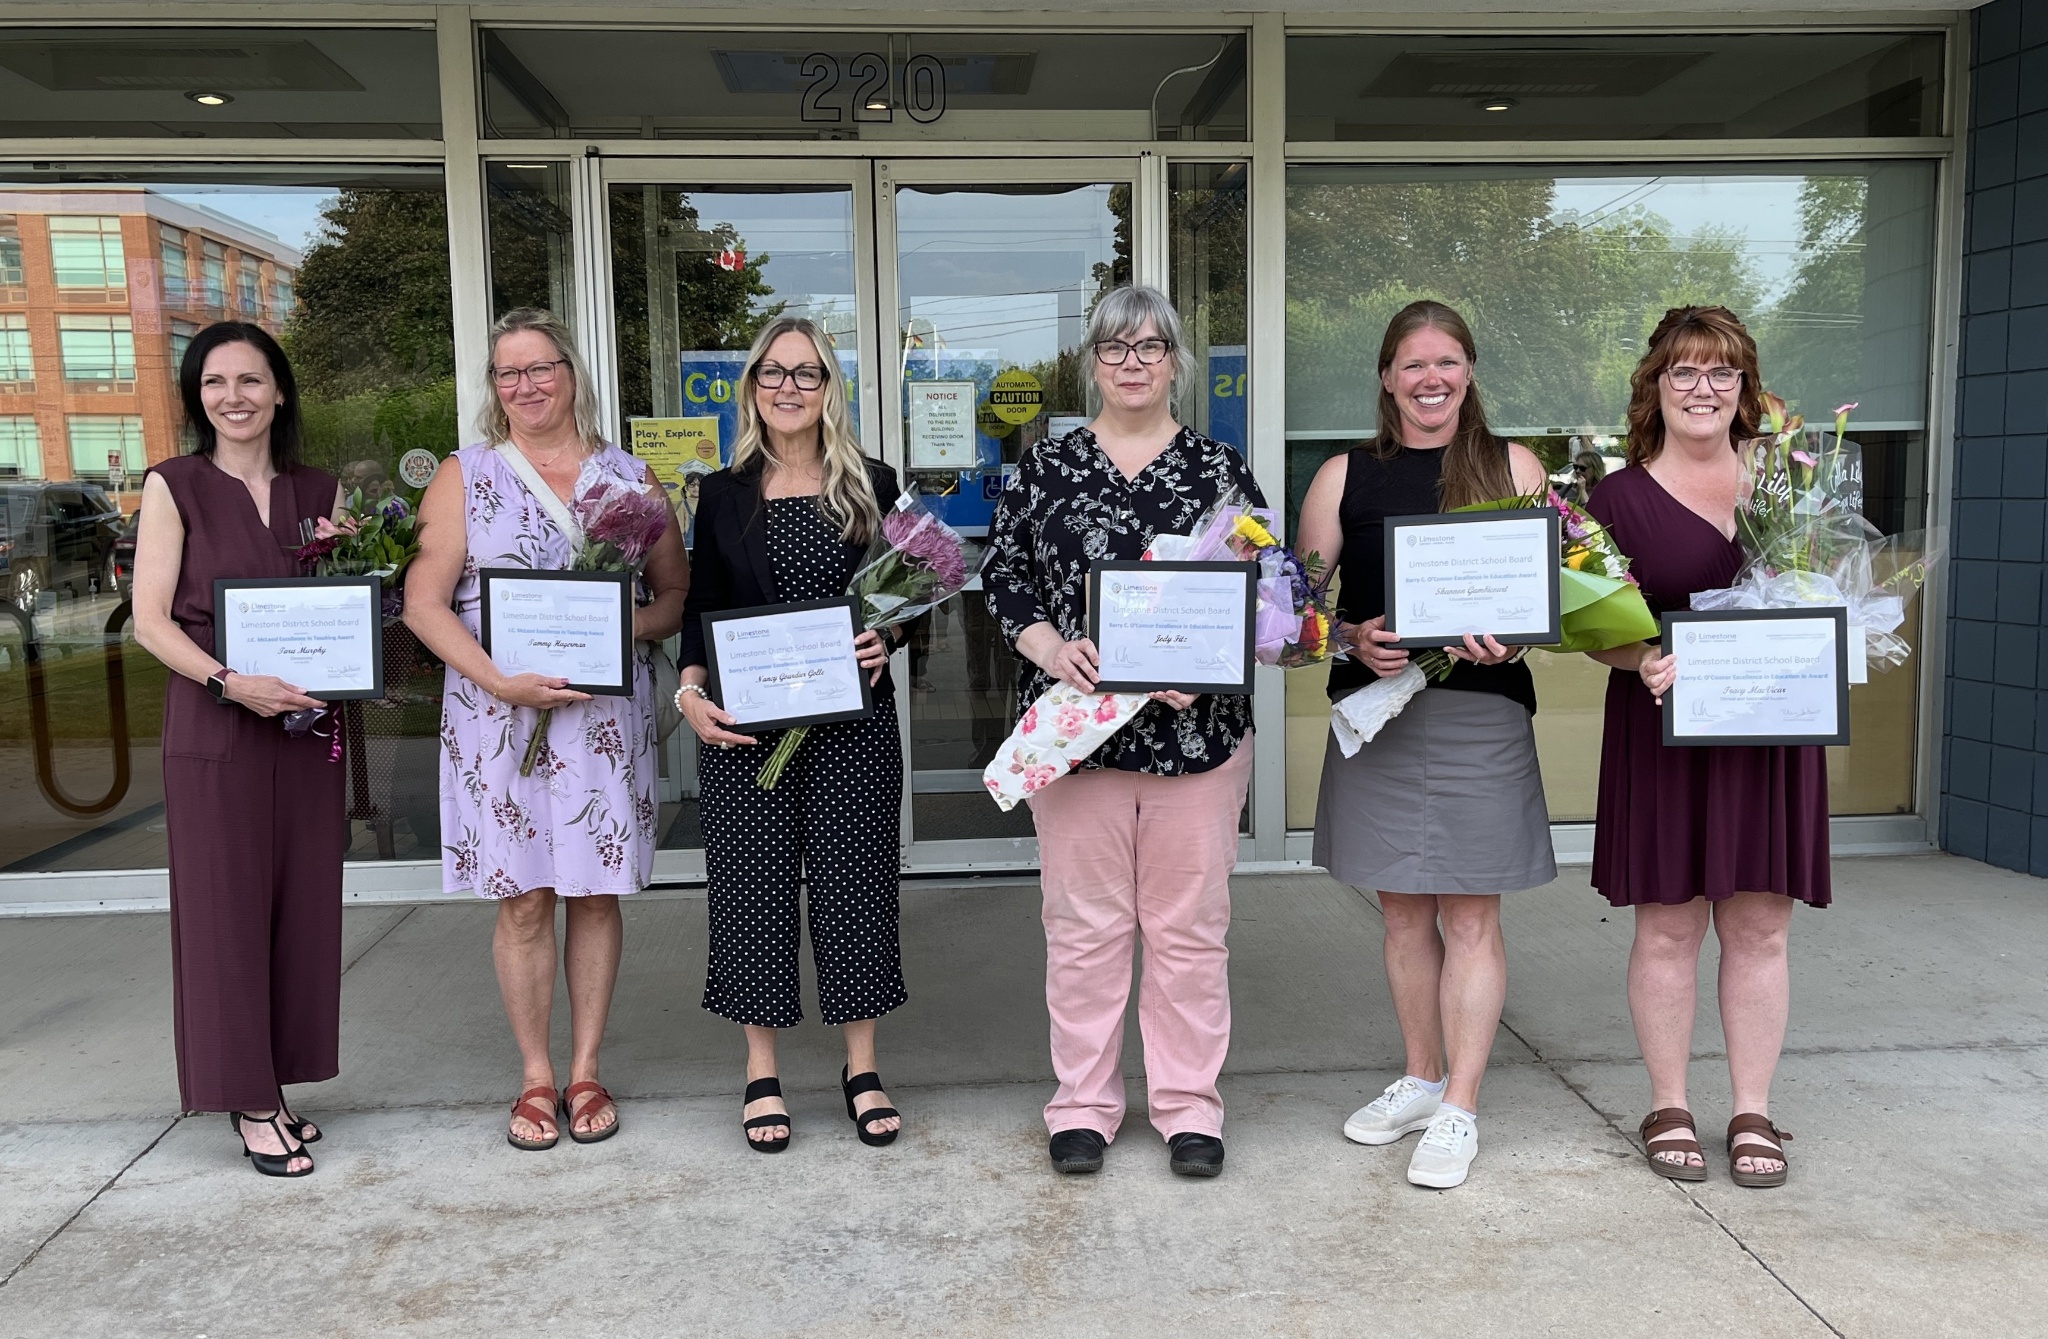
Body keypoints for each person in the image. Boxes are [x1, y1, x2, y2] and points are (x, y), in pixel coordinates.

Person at [985, 284, 1262, 1179]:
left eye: (1150, 347)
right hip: (1078, 736)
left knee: (1189, 931)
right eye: (1114, 347)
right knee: (1084, 930)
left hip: (1196, 739)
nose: (1132, 363)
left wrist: (1205, 662)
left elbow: (1261, 593)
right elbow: (1005, 578)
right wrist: (1050, 646)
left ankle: (1189, 1106)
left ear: (1176, 361)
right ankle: (1083, 1105)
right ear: (1092, 362)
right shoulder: (1046, 467)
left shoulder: (1219, 470)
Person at [405, 308, 687, 1151]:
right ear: (494, 386)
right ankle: (536, 1073)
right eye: (508, 372)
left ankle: (586, 1066)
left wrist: (620, 630)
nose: (525, 385)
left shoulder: (631, 478)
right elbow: (422, 604)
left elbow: (673, 596)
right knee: (524, 897)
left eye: (540, 368)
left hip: (599, 722)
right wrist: (500, 678)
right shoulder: (465, 475)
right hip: (498, 717)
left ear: (571, 373)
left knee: (593, 892)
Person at [1297, 299, 1555, 1190]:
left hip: (1480, 719)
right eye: (1413, 363)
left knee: (1470, 915)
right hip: (1380, 714)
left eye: (1447, 361)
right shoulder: (1342, 476)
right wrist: (1348, 637)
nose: (1431, 378)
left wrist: (1514, 641)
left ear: (1469, 372)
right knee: (1403, 913)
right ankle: (1420, 1078)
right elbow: (1299, 611)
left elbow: (1552, 603)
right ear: (1387, 377)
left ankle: (1461, 1108)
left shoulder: (1515, 466)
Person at [1583, 305, 1819, 1189]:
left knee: (1760, 926)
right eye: (1683, 370)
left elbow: (1829, 599)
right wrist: (1641, 656)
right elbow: (1590, 631)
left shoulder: (1791, 488)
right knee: (1670, 926)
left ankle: (1752, 1108)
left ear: (1745, 386)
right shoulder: (1616, 499)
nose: (1703, 388)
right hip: (1665, 733)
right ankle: (1669, 1103)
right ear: (1655, 385)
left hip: (1770, 737)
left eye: (1722, 371)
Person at [677, 316, 907, 1154]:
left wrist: (889, 636)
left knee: (856, 890)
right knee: (753, 894)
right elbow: (701, 606)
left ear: (828, 388)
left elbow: (900, 596)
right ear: (752, 386)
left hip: (852, 730)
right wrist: (689, 691)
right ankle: (762, 1070)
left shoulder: (873, 482)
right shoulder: (722, 491)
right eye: (772, 372)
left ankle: (862, 1067)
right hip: (747, 730)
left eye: (806, 373)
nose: (787, 387)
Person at [131, 322, 347, 1177]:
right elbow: (150, 621)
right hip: (215, 724)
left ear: (279, 390)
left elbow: (345, 605)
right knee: (225, 912)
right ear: (198, 397)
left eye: (250, 380)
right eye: (215, 382)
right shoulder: (174, 484)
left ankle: (277, 1083)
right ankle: (249, 1100)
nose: (234, 397)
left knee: (301, 906)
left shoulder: (319, 489)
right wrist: (230, 681)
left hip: (302, 728)